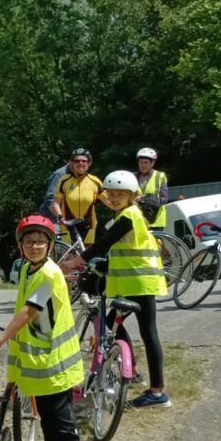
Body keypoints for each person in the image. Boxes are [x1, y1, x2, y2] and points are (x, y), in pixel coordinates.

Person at [0, 215, 87, 441]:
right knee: (49, 422)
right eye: (29, 241)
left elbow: (29, 312)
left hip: (56, 362)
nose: (35, 246)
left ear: (50, 245)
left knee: (62, 424)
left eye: (41, 241)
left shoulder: (48, 274)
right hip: (40, 362)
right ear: (20, 246)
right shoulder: (29, 269)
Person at [63, 170, 169, 409]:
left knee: (125, 328)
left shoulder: (129, 215)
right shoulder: (128, 215)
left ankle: (153, 388)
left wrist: (73, 262)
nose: (115, 197)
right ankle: (138, 376)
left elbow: (103, 244)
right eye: (111, 194)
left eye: (121, 194)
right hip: (138, 282)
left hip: (138, 283)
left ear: (132, 196)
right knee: (118, 326)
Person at [52, 148, 104, 245]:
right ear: (72, 163)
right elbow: (56, 203)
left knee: (87, 256)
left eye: (84, 161)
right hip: (67, 225)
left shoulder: (95, 181)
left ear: (89, 163)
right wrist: (60, 217)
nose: (80, 163)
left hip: (89, 225)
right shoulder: (64, 180)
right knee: (70, 257)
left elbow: (109, 201)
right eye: (77, 161)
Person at [135, 148, 169, 230]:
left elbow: (164, 199)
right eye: (141, 162)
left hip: (156, 221)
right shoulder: (133, 177)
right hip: (139, 219)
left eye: (146, 162)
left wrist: (144, 198)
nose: (143, 165)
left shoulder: (160, 176)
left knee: (156, 242)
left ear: (152, 163)